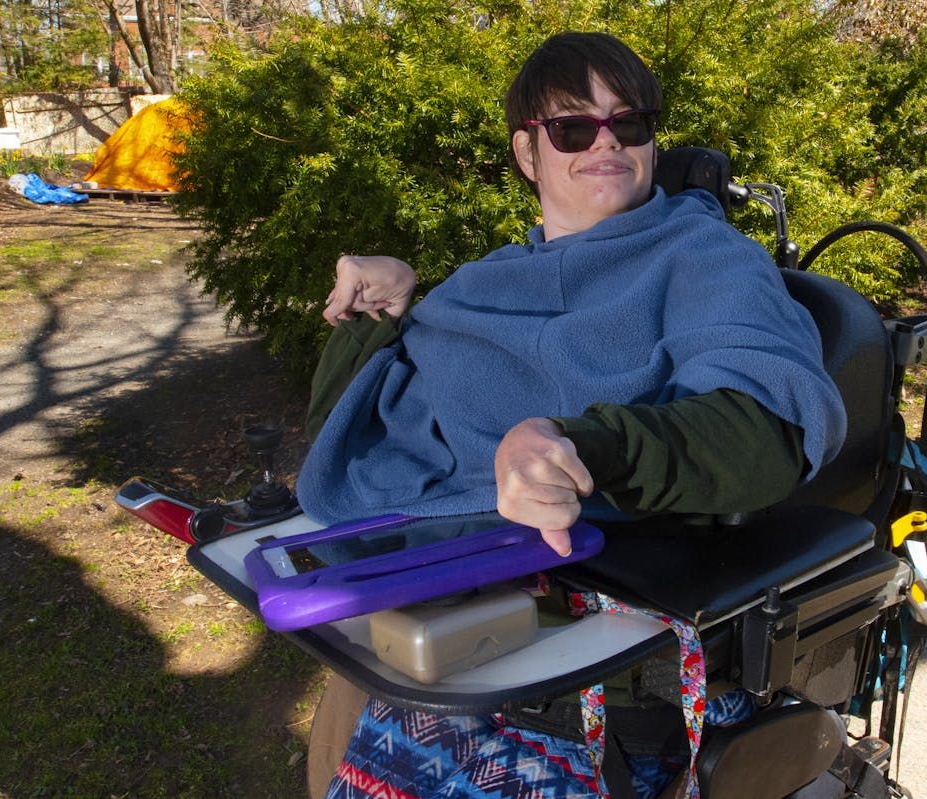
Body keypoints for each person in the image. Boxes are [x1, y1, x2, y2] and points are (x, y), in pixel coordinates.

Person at [298, 31, 846, 799]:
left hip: (602, 678)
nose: (605, 142)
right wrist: (382, 314)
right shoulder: (489, 282)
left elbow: (768, 427)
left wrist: (574, 444)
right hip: (439, 638)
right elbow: (351, 439)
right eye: (572, 127)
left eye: (629, 123)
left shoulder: (703, 257)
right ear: (529, 153)